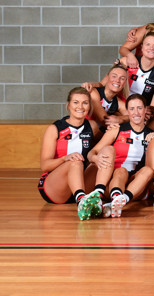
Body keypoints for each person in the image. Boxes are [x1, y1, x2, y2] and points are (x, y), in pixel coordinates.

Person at [38, 87, 109, 221]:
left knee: (107, 153)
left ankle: (96, 198)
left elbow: (106, 141)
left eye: (85, 103)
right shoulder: (55, 129)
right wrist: (65, 158)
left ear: (89, 106)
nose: (80, 106)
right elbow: (45, 165)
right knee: (75, 161)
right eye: (76, 102)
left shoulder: (92, 126)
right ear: (68, 105)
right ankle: (82, 201)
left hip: (80, 184)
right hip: (55, 188)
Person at [86, 94, 154, 218]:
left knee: (149, 170)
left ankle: (120, 201)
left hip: (135, 185)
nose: (136, 112)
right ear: (127, 112)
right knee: (120, 169)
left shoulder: (151, 135)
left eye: (140, 108)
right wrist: (95, 159)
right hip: (112, 180)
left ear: (146, 110)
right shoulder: (116, 130)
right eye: (132, 108)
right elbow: (91, 152)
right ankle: (115, 199)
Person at [88, 63, 129, 128]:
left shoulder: (117, 101)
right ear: (107, 77)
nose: (117, 80)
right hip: (84, 132)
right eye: (114, 76)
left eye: (122, 78)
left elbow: (132, 116)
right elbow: (104, 120)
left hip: (100, 133)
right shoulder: (94, 92)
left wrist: (120, 119)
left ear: (124, 83)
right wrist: (119, 118)